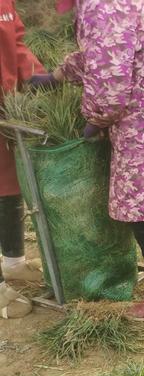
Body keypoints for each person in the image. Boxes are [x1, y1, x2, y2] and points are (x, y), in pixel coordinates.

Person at [31, 0, 144, 321]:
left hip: (143, 121)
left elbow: (110, 81)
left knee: (143, 211)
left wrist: (96, 119)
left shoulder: (102, 8)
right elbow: (102, 53)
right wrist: (58, 75)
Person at [0, 0, 46, 319]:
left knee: (8, 181)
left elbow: (14, 43)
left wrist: (41, 78)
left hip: (4, 106)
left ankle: (13, 262)